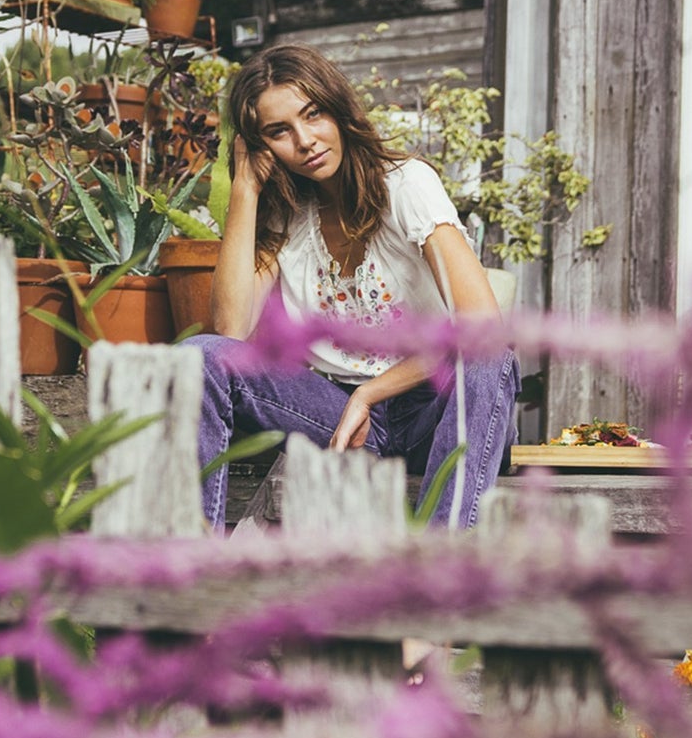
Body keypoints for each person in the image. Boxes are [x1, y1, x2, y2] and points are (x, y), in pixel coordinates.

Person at [187, 44, 518, 530]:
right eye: (279, 131)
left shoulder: (406, 185)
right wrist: (246, 188)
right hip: (337, 418)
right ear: (261, 146)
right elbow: (230, 329)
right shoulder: (286, 215)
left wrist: (371, 395)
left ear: (337, 109)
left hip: (436, 410)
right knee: (199, 355)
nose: (304, 141)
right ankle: (189, 564)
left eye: (312, 114)